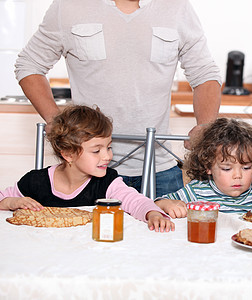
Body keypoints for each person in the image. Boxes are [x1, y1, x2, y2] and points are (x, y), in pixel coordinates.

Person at [14, 0, 222, 197]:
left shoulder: (177, 7)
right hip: (88, 170)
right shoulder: (69, 5)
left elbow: (204, 74)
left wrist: (205, 126)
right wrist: (54, 119)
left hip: (160, 169)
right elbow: (30, 64)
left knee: (167, 234)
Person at [0, 105, 174, 232]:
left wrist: (152, 213)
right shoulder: (35, 181)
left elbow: (135, 201)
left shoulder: (107, 182)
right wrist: (10, 202)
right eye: (97, 150)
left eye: (109, 147)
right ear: (68, 154)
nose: (107, 156)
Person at [154, 118, 252, 218]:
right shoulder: (196, 191)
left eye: (246, 168)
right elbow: (156, 205)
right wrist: (165, 204)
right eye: (226, 169)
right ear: (208, 166)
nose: (238, 175)